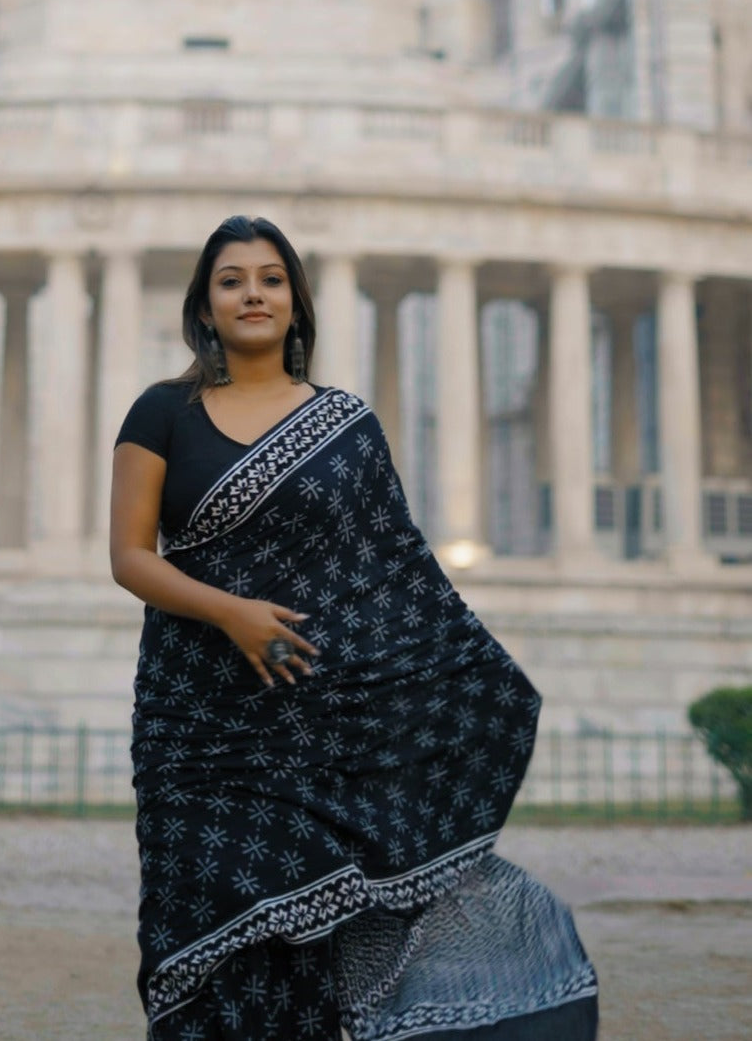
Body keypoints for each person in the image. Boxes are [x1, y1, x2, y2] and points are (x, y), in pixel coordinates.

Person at [110, 215, 598, 1041]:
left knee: (305, 940)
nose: (252, 294)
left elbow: (392, 574)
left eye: (270, 279)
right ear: (203, 305)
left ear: (296, 302)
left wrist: (475, 685)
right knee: (195, 919)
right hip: (196, 725)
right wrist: (231, 611)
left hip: (314, 723)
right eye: (231, 280)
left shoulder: (345, 424)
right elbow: (129, 556)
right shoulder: (161, 411)